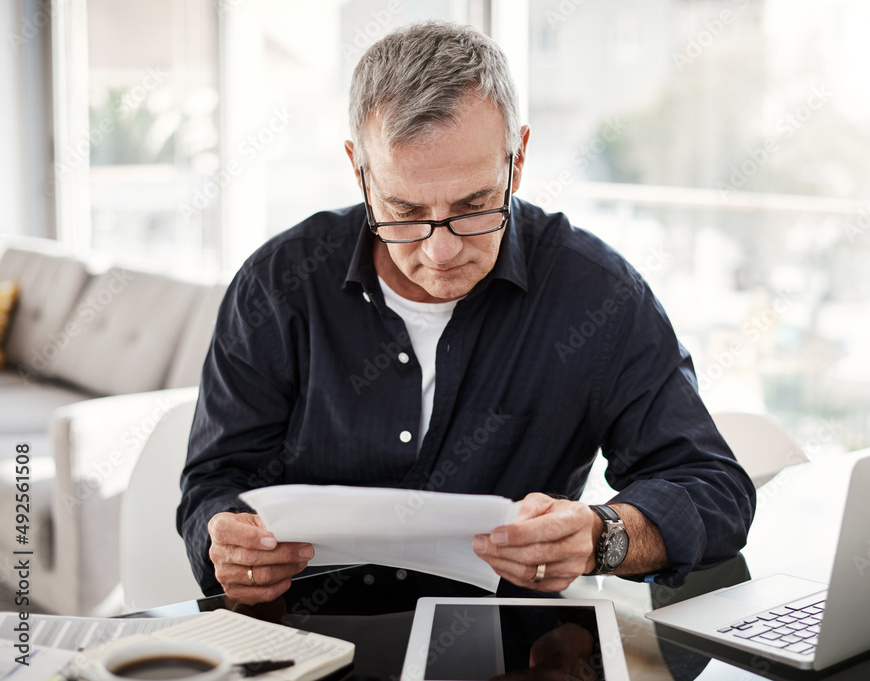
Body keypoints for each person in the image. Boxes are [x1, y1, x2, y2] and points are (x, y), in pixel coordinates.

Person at [177, 20, 755, 605]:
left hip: (514, 649)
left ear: (519, 159)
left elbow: (714, 489)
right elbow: (214, 485)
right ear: (360, 171)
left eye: (474, 206)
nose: (440, 250)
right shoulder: (277, 285)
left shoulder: (598, 296)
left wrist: (601, 538)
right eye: (404, 210)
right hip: (305, 642)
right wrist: (227, 540)